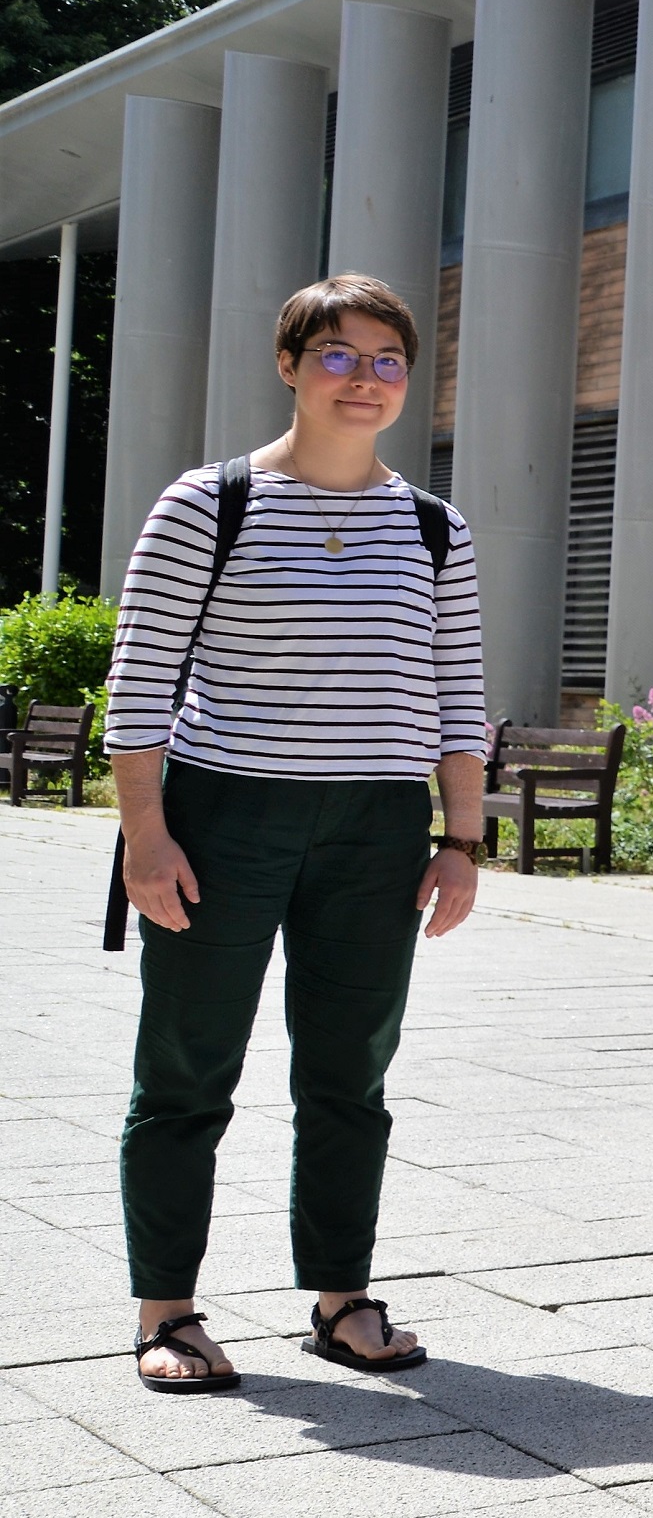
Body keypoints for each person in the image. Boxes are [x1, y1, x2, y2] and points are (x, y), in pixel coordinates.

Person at [107, 273, 487, 1393]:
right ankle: (165, 1309)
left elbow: (457, 689)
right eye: (337, 354)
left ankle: (340, 1298)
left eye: (385, 360)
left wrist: (460, 838)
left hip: (376, 828)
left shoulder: (432, 526)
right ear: (289, 365)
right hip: (224, 814)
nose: (362, 378)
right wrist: (146, 835)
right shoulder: (204, 504)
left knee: (349, 1075)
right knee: (185, 1068)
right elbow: (138, 686)